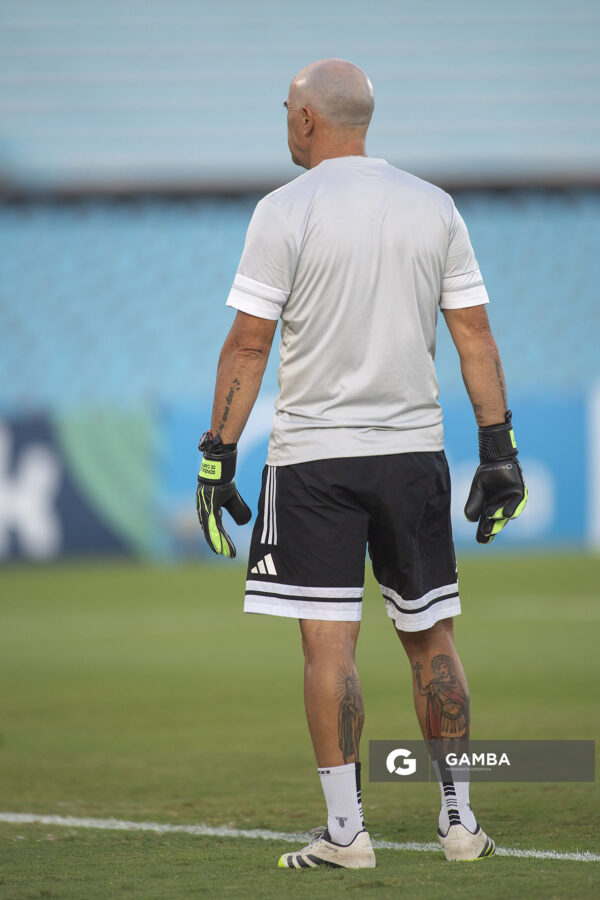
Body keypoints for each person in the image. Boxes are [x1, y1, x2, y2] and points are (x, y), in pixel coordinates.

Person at [196, 58, 527, 870]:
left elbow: (249, 343)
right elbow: (474, 334)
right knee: (430, 636)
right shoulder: (434, 206)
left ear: (307, 120)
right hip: (412, 453)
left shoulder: (282, 211)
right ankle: (459, 823)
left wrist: (217, 458)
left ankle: (347, 834)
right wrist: (498, 450)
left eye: (287, 110)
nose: (285, 121)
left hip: (315, 460)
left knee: (328, 648)